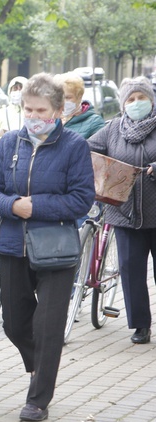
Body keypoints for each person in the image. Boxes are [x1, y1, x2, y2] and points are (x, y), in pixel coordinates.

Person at [0, 73, 95, 422]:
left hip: (56, 248)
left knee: (48, 326)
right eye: (28, 109)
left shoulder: (74, 146)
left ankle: (38, 399)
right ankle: (37, 367)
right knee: (14, 325)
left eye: (40, 110)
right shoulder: (10, 142)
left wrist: (37, 207)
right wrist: (14, 205)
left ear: (58, 111)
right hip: (14, 245)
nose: (33, 116)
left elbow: (81, 200)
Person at [88, 76, 156, 345]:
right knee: (130, 270)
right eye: (131, 99)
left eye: (142, 98)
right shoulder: (113, 128)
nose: (136, 103)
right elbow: (86, 150)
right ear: (123, 104)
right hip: (124, 214)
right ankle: (140, 325)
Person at [56, 72, 105, 139]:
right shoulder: (52, 120)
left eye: (68, 97)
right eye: (59, 97)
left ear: (79, 97)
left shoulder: (94, 122)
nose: (63, 102)